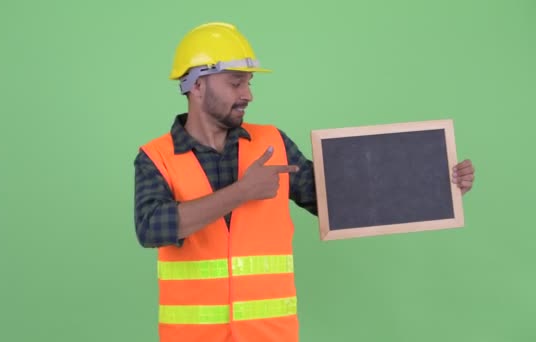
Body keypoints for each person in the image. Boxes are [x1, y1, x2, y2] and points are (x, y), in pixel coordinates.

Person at [133, 22, 475, 342]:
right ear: (196, 85)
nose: (248, 94)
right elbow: (151, 228)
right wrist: (243, 191)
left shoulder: (272, 144)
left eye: (250, 83)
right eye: (236, 82)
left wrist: (436, 180)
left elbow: (339, 199)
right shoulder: (156, 157)